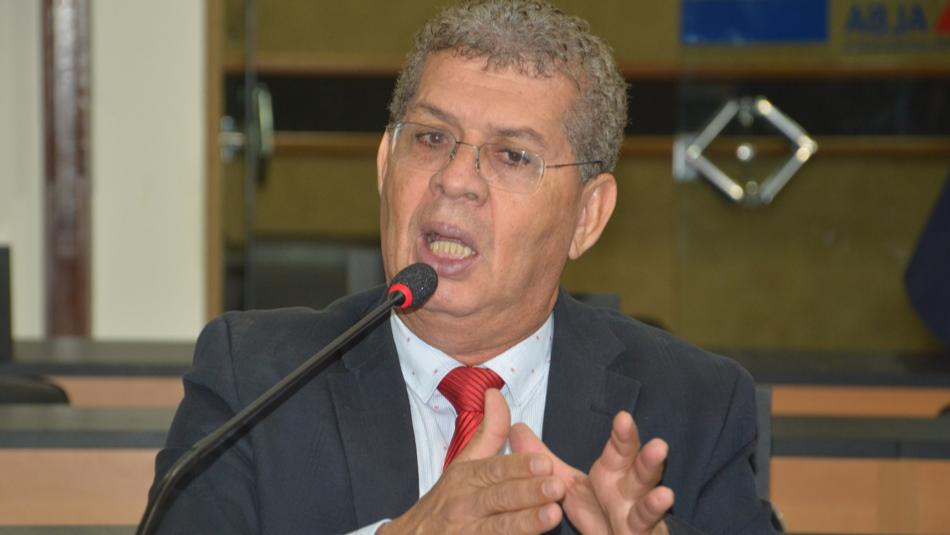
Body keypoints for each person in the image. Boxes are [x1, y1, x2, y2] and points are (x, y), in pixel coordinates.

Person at [150, 1, 776, 533]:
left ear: (588, 216)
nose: (455, 180)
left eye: (512, 156)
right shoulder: (254, 380)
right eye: (431, 139)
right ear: (385, 166)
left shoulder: (695, 403)